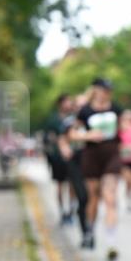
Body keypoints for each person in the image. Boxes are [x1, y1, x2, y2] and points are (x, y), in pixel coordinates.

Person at [69, 78, 124, 260]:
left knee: (110, 198)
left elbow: (124, 128)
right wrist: (88, 135)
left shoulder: (115, 108)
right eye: (104, 89)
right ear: (96, 90)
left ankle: (111, 243)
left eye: (109, 90)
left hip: (112, 155)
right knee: (93, 198)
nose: (107, 93)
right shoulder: (85, 111)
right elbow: (72, 134)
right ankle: (90, 230)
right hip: (92, 156)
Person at [57, 93, 90, 245]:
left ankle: (89, 227)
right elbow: (62, 138)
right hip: (75, 162)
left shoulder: (92, 120)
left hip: (91, 162)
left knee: (91, 196)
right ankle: (85, 230)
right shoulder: (69, 122)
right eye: (78, 105)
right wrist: (64, 148)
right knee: (82, 196)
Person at [44, 95, 74, 224]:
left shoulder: (74, 118)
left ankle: (71, 211)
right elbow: (48, 138)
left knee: (73, 185)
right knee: (60, 185)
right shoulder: (53, 119)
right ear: (60, 104)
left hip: (72, 156)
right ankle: (62, 211)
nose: (69, 104)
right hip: (57, 157)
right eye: (67, 102)